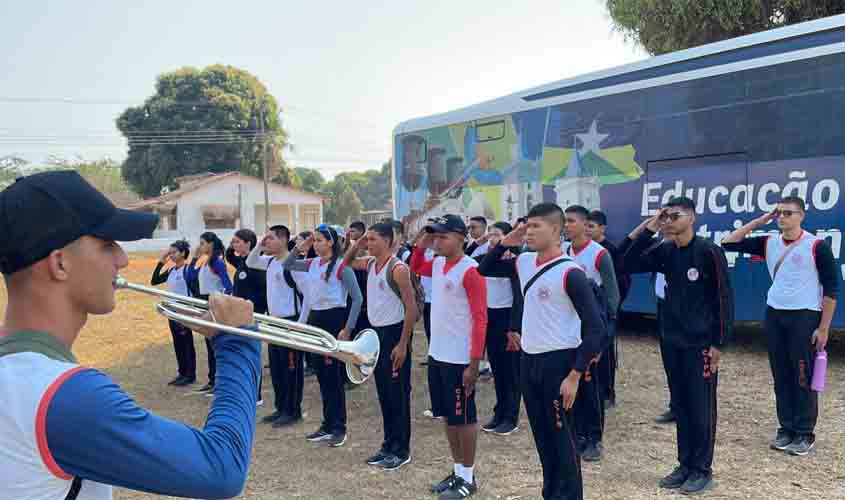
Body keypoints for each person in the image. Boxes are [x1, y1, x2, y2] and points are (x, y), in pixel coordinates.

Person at [0, 171, 261, 500]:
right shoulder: (64, 396)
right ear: (60, 264)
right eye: (107, 244)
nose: (122, 259)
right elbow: (222, 469)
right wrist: (237, 343)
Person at [480, 202, 606, 500]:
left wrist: (575, 374)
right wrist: (505, 242)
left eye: (536, 226)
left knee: (564, 440)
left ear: (556, 229)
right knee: (543, 438)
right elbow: (485, 269)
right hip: (529, 360)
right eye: (527, 225)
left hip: (559, 363)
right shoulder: (524, 262)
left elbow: (596, 328)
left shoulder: (569, 273)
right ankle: (551, 493)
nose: (529, 231)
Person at [622, 196, 734, 495]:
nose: (670, 221)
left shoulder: (709, 252)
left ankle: (702, 469)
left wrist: (718, 343)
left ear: (692, 218)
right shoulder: (665, 251)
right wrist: (649, 228)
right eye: (666, 216)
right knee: (682, 406)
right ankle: (684, 464)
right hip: (672, 341)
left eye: (676, 216)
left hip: (700, 344)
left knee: (701, 407)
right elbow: (626, 262)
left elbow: (723, 298)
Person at [722, 196, 838, 456]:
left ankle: (804, 432)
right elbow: (728, 243)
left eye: (788, 213)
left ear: (801, 216)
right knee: (781, 374)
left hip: (805, 316)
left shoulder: (816, 246)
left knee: (801, 374)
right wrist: (761, 220)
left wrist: (824, 328)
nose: (783, 218)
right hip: (775, 315)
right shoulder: (769, 242)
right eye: (779, 213)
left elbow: (831, 290)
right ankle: (785, 427)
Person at [411, 214, 487, 500]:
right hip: (438, 354)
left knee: (464, 418)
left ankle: (468, 476)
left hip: (459, 358)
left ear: (460, 237)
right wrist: (422, 239)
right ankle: (457, 471)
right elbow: (416, 265)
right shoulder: (440, 263)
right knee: (448, 417)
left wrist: (474, 362)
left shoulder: (470, 270)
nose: (437, 242)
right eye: (435, 236)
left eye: (443, 236)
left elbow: (481, 319)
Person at [343, 222, 419, 471]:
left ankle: (401, 449)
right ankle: (388, 444)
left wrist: (402, 344)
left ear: (388, 241)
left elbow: (411, 309)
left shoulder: (398, 269)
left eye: (374, 239)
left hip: (394, 335)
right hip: (377, 335)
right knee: (385, 392)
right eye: (368, 239)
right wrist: (359, 240)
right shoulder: (371, 263)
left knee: (398, 394)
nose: (369, 243)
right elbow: (346, 262)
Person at [284, 224, 363, 447]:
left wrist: (348, 328)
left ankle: (339, 427)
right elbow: (288, 265)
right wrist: (301, 246)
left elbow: (357, 299)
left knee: (334, 377)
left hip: (334, 320)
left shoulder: (341, 266)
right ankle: (327, 424)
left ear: (330, 242)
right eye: (315, 240)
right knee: (321, 374)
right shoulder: (313, 263)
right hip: (316, 319)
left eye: (319, 240)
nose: (316, 244)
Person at [563, 205, 620, 462]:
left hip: (591, 332)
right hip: (567, 331)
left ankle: (594, 438)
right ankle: (577, 434)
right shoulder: (562, 252)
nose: (566, 225)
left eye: (571, 221)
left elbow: (612, 298)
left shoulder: (599, 255)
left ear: (586, 225)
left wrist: (602, 339)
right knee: (572, 385)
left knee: (592, 387)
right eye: (564, 221)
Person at [247, 225, 306, 428]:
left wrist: (301, 325)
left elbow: (306, 295)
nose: (267, 242)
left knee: (292, 368)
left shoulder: (293, 264)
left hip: (290, 321)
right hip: (274, 321)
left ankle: (293, 410)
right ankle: (281, 407)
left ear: (283, 240)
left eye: (271, 238)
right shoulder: (271, 261)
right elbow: (250, 261)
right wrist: (260, 243)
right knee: (277, 367)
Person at [468, 221, 523, 436]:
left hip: (508, 318)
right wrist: (479, 243)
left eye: (497, 234)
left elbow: (519, 297)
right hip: (489, 317)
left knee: (511, 370)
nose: (492, 238)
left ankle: (511, 416)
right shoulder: (486, 261)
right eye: (490, 234)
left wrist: (514, 327)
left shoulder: (516, 263)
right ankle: (499, 413)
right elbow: (470, 259)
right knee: (498, 368)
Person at [587, 209, 630, 408]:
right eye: (585, 225)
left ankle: (607, 393)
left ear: (602, 228)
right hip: (587, 311)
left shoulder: (608, 251)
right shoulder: (579, 249)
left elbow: (622, 280)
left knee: (605, 354)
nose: (587, 230)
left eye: (591, 226)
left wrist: (612, 307)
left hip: (605, 310)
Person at [185, 231, 233, 395]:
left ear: (211, 244)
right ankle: (212, 380)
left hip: (214, 303)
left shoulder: (217, 262)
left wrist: (220, 301)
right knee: (209, 345)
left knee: (216, 346)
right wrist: (194, 258)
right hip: (204, 301)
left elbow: (228, 285)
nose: (200, 246)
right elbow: (189, 275)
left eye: (203, 243)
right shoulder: (204, 262)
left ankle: (219, 382)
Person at [227, 229, 267, 406]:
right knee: (241, 353)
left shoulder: (256, 266)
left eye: (237, 241)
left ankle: (256, 394)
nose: (234, 245)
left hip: (252, 314)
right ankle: (246, 391)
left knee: (252, 354)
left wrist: (253, 309)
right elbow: (229, 255)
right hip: (238, 314)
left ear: (248, 243)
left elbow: (263, 293)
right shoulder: (241, 261)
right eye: (233, 242)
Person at [150, 240, 197, 387]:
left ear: (183, 253)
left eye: (174, 252)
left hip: (184, 312)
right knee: (178, 343)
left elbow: (195, 290)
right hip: (172, 311)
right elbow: (154, 281)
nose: (171, 255)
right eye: (170, 252)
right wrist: (161, 261)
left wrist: (191, 310)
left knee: (186, 343)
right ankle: (182, 372)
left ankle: (190, 374)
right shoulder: (172, 270)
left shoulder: (188, 270)